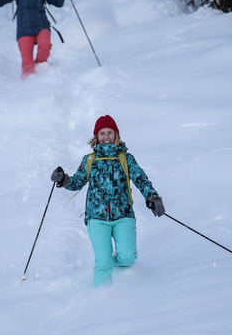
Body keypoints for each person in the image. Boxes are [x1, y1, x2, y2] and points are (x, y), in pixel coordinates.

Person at [51, 115, 165, 287]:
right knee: (103, 263)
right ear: (96, 137)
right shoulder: (89, 160)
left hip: (123, 214)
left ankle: (117, 266)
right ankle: (102, 304)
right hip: (97, 217)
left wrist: (153, 198)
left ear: (116, 135)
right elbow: (76, 182)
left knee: (127, 257)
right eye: (102, 133)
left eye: (109, 133)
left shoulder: (126, 159)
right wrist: (63, 179)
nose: (106, 137)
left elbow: (141, 179)